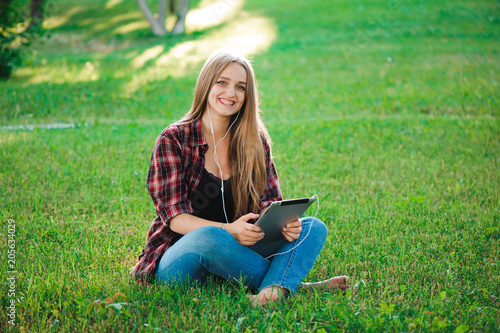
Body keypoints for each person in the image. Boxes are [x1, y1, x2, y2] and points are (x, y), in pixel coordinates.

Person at [131, 50, 349, 305]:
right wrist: (230, 231)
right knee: (211, 237)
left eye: (241, 87)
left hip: (237, 253)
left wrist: (285, 224)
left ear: (248, 96)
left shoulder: (255, 141)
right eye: (221, 82)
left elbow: (269, 202)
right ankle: (294, 286)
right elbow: (175, 219)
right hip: (181, 260)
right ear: (206, 84)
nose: (231, 93)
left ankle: (270, 295)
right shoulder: (174, 139)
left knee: (313, 227)